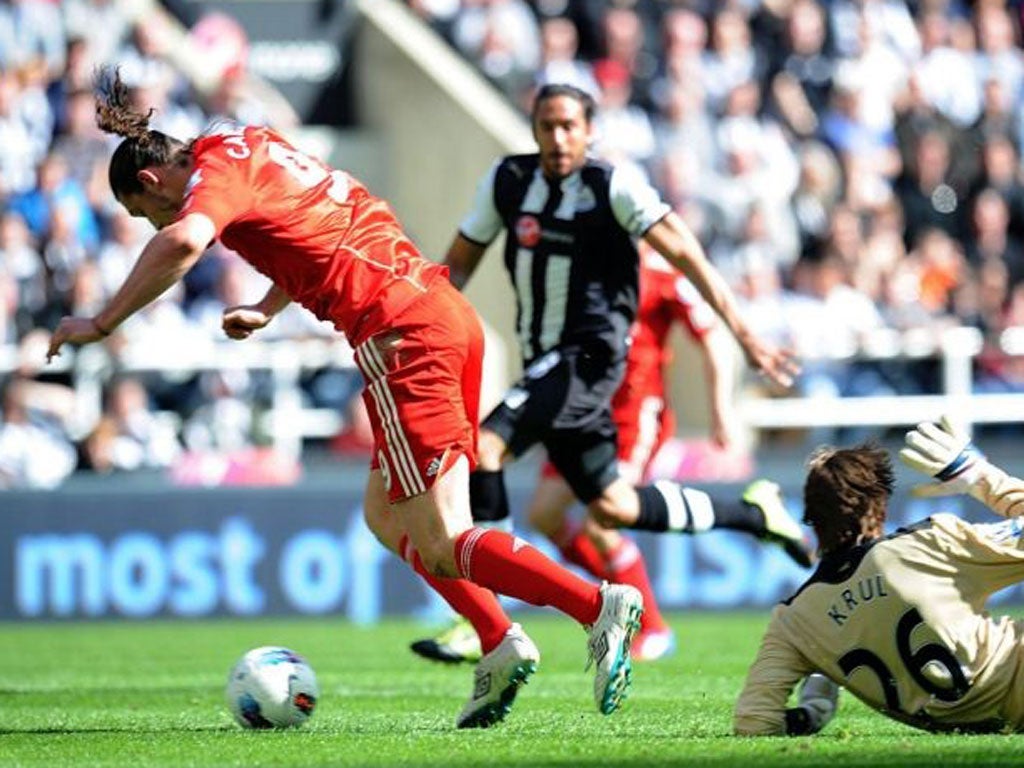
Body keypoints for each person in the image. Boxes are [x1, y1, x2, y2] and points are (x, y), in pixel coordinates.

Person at [45, 68, 647, 730]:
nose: (155, 220)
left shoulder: (206, 187)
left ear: (154, 182)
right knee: (387, 519)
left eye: (144, 211)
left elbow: (184, 241)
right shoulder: (238, 137)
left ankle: (597, 606)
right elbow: (319, 226)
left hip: (402, 338)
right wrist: (271, 307)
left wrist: (101, 322)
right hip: (439, 313)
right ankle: (500, 641)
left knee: (444, 539)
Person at [410, 83, 809, 664]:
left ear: (590, 131)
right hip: (550, 363)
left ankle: (484, 618)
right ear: (534, 130)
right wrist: (421, 324)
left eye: (570, 125)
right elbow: (459, 265)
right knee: (615, 507)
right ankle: (753, 513)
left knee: (486, 447)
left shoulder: (613, 186)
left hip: (591, 358)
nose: (558, 138)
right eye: (547, 126)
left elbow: (688, 254)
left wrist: (746, 335)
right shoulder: (508, 183)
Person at [413, 244, 743, 665]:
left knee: (602, 522)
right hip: (580, 410)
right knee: (546, 515)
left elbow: (711, 335)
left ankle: (653, 628)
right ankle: (611, 604)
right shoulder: (582, 255)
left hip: (632, 417)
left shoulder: (662, 269)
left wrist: (722, 410)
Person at [734, 415, 1024, 736]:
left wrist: (811, 713)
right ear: (881, 508)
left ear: (811, 521)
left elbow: (754, 722)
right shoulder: (927, 543)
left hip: (969, 722)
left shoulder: (794, 620)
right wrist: (975, 473)